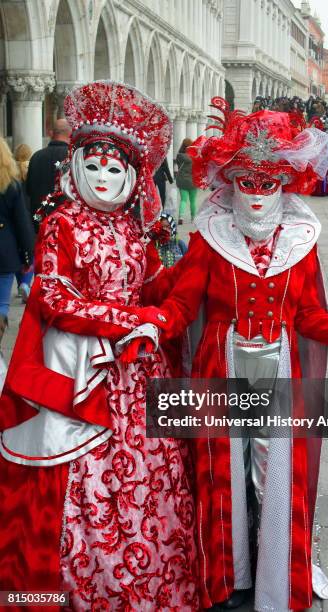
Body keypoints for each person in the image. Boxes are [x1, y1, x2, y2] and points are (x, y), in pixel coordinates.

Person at [155, 98, 328, 611]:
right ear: (231, 184)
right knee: (224, 472)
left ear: (286, 187)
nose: (258, 197)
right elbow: (179, 303)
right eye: (248, 183)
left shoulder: (300, 245)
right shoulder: (209, 241)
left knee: (272, 470)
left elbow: (306, 316)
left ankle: (273, 572)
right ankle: (229, 573)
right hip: (222, 369)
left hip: (279, 370)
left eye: (268, 185)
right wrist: (150, 326)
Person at [0, 81, 198, 610]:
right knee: (86, 481)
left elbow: (153, 282)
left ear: (133, 178)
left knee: (151, 474)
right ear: (74, 169)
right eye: (94, 167)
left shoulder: (133, 231)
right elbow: (52, 296)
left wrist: (196, 272)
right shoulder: (62, 224)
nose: (104, 179)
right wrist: (132, 319)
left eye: (116, 170)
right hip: (83, 372)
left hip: (139, 373)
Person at [0, 138, 34, 348]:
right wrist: (27, 254)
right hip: (4, 250)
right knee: (2, 305)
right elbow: (22, 222)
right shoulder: (11, 184)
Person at [25, 118, 71, 231]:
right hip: (65, 224)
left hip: (39, 222)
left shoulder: (36, 157)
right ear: (70, 133)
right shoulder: (72, 157)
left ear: (52, 133)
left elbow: (29, 190)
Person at [14, 143, 34, 302]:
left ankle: (21, 282)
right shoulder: (31, 169)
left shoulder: (10, 171)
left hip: (14, 216)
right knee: (30, 252)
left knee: (17, 252)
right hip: (29, 213)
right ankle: (26, 283)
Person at [176, 137, 198, 224]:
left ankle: (181, 217)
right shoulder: (194, 157)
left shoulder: (179, 155)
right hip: (193, 180)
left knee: (183, 200)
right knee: (193, 201)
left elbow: (178, 165)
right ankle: (193, 218)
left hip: (182, 180)